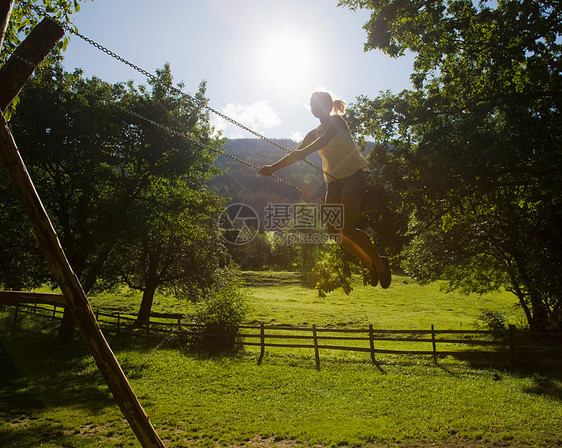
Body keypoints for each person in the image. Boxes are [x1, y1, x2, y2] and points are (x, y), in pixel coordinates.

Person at [258, 91, 391, 288]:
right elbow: (295, 155)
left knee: (346, 227)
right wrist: (272, 168)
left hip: (353, 177)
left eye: (318, 104)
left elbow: (323, 141)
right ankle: (370, 262)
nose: (314, 108)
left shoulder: (337, 122)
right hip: (334, 183)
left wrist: (302, 153)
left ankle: (379, 264)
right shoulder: (312, 133)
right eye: (312, 105)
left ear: (328, 107)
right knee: (334, 231)